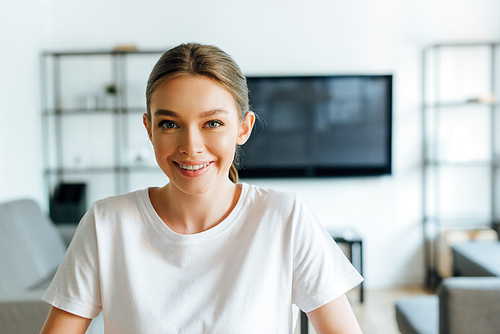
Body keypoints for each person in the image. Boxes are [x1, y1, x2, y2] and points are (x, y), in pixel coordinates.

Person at [40, 43, 363, 334]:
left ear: (243, 128)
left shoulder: (284, 217)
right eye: (169, 124)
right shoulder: (106, 223)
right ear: (149, 129)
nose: (191, 147)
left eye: (212, 123)